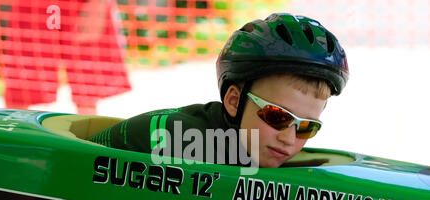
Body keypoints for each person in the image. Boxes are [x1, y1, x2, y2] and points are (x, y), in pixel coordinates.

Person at [88, 13, 349, 168]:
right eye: (278, 117)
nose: (289, 139)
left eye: (307, 127)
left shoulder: (252, 146)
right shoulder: (180, 145)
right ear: (234, 101)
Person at [3, 0, 131, 115]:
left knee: (88, 89)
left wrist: (98, 3)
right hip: (34, 5)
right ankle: (17, 136)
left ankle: (90, 137)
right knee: (21, 88)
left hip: (82, 4)